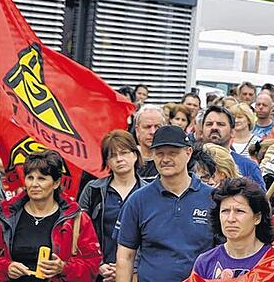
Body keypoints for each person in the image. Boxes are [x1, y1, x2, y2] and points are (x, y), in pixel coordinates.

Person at [0, 150, 101, 281]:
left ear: (56, 183)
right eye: (30, 177)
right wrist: (6, 268)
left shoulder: (76, 219)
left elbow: (92, 266)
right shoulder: (8, 215)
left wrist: (63, 268)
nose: (34, 184)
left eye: (41, 178)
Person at [115, 126, 215, 282]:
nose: (165, 159)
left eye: (173, 153)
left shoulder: (212, 198)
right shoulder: (138, 200)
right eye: (160, 154)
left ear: (188, 153)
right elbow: (125, 256)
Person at [188, 178, 274, 279]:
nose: (231, 219)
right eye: (225, 211)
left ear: (257, 217)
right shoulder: (205, 262)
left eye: (239, 211)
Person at [79, 130, 147, 282]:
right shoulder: (93, 190)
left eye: (124, 153)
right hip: (100, 272)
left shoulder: (149, 192)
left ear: (135, 155)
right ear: (107, 161)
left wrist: (128, 270)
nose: (119, 159)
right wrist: (98, 264)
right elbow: (79, 232)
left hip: (139, 274)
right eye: (112, 155)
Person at [200, 105, 266, 189]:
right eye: (209, 124)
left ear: (232, 132)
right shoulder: (190, 162)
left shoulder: (248, 166)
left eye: (221, 124)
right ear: (202, 130)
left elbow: (260, 200)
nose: (214, 127)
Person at [133, 104, 165, 182]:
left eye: (157, 127)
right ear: (137, 130)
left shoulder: (171, 159)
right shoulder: (128, 159)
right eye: (147, 127)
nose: (153, 132)